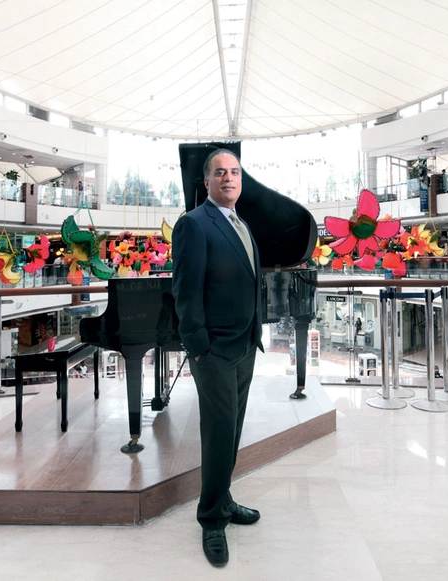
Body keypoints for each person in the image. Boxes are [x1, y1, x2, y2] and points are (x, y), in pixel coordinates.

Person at [172, 149, 263, 567]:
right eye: (220, 173)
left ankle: (223, 500)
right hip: (214, 350)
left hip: (244, 344)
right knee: (218, 431)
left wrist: (254, 331)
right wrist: (198, 346)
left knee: (233, 429)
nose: (229, 178)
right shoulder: (194, 224)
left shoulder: (242, 223)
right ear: (206, 182)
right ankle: (211, 519)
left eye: (235, 172)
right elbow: (185, 291)